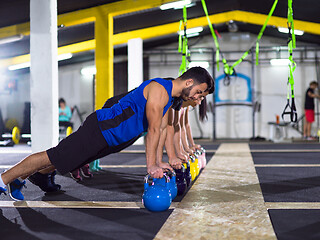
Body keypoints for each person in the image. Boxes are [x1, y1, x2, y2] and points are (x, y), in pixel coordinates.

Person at [0, 67, 214, 201]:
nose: (198, 99)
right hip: (101, 129)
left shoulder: (171, 100)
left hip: (113, 139)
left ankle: (25, 177)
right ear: (189, 82)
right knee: (52, 155)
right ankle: (4, 178)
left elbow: (163, 132)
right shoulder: (160, 89)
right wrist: (152, 167)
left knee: (67, 158)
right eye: (199, 93)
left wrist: (159, 162)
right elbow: (154, 130)